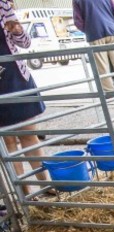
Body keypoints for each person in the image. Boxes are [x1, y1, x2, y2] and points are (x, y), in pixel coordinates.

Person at [0, 0, 53, 198]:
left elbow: (25, 42)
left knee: (29, 135)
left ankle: (46, 185)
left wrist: (16, 30)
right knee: (8, 142)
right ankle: (23, 193)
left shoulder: (3, 6)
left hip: (15, 76)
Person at [73, 0, 114, 92]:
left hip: (95, 33)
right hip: (112, 31)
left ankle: (109, 90)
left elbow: (77, 21)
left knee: (102, 65)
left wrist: (88, 30)